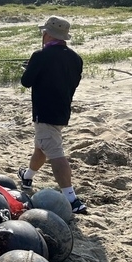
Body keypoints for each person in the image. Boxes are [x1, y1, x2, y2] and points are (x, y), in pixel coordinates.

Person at [19, 16, 86, 214]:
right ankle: (27, 176)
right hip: (62, 110)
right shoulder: (76, 58)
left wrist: (30, 66)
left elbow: (26, 82)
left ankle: (72, 199)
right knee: (42, 146)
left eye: (43, 32)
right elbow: (70, 82)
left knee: (55, 153)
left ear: (48, 34)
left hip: (44, 111)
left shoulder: (40, 56)